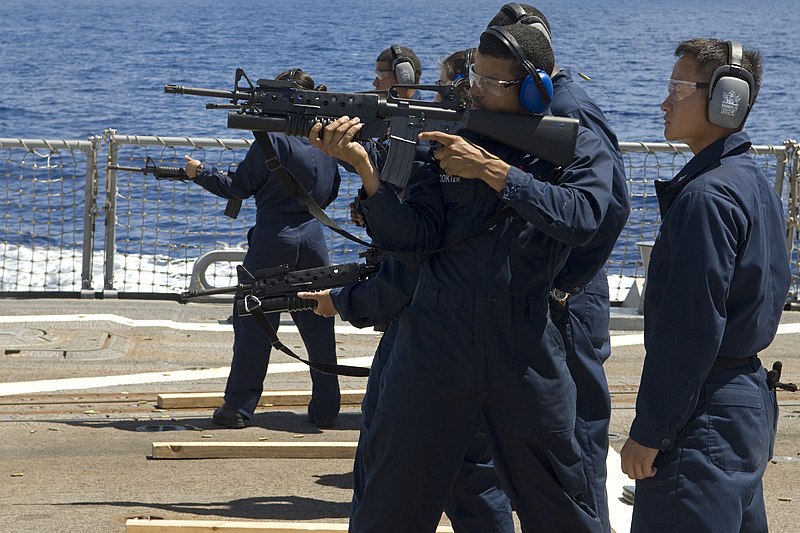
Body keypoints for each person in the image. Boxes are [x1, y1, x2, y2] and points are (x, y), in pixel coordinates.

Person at [310, 20, 613, 532]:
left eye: (491, 81)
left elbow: (587, 216)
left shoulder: (570, 139)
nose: (475, 87)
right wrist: (365, 172)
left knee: (561, 505)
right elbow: (415, 236)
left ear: (535, 87)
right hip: (434, 343)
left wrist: (495, 173)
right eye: (476, 74)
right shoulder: (454, 137)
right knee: (389, 503)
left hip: (522, 345)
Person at [300, 49, 515, 533]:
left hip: (429, 349)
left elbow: (409, 265)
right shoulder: (474, 164)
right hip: (474, 347)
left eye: (444, 86)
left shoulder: (444, 163)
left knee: (388, 489)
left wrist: (344, 302)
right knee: (477, 485)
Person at [620, 38, 790, 532]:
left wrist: (650, 432)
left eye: (677, 87)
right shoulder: (752, 182)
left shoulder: (705, 197)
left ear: (724, 98)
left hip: (703, 415)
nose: (664, 101)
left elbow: (691, 331)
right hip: (745, 405)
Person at [484, 5, 630, 531]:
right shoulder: (545, 103)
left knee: (575, 440)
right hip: (553, 286)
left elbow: (612, 208)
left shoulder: (570, 109)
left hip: (568, 290)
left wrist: (567, 281)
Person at [183, 68, 342, 430]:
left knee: (254, 324)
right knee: (318, 324)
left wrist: (199, 172)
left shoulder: (273, 140)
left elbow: (238, 187)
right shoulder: (324, 142)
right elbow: (330, 192)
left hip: (273, 241)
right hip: (315, 240)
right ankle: (325, 409)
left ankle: (238, 407)